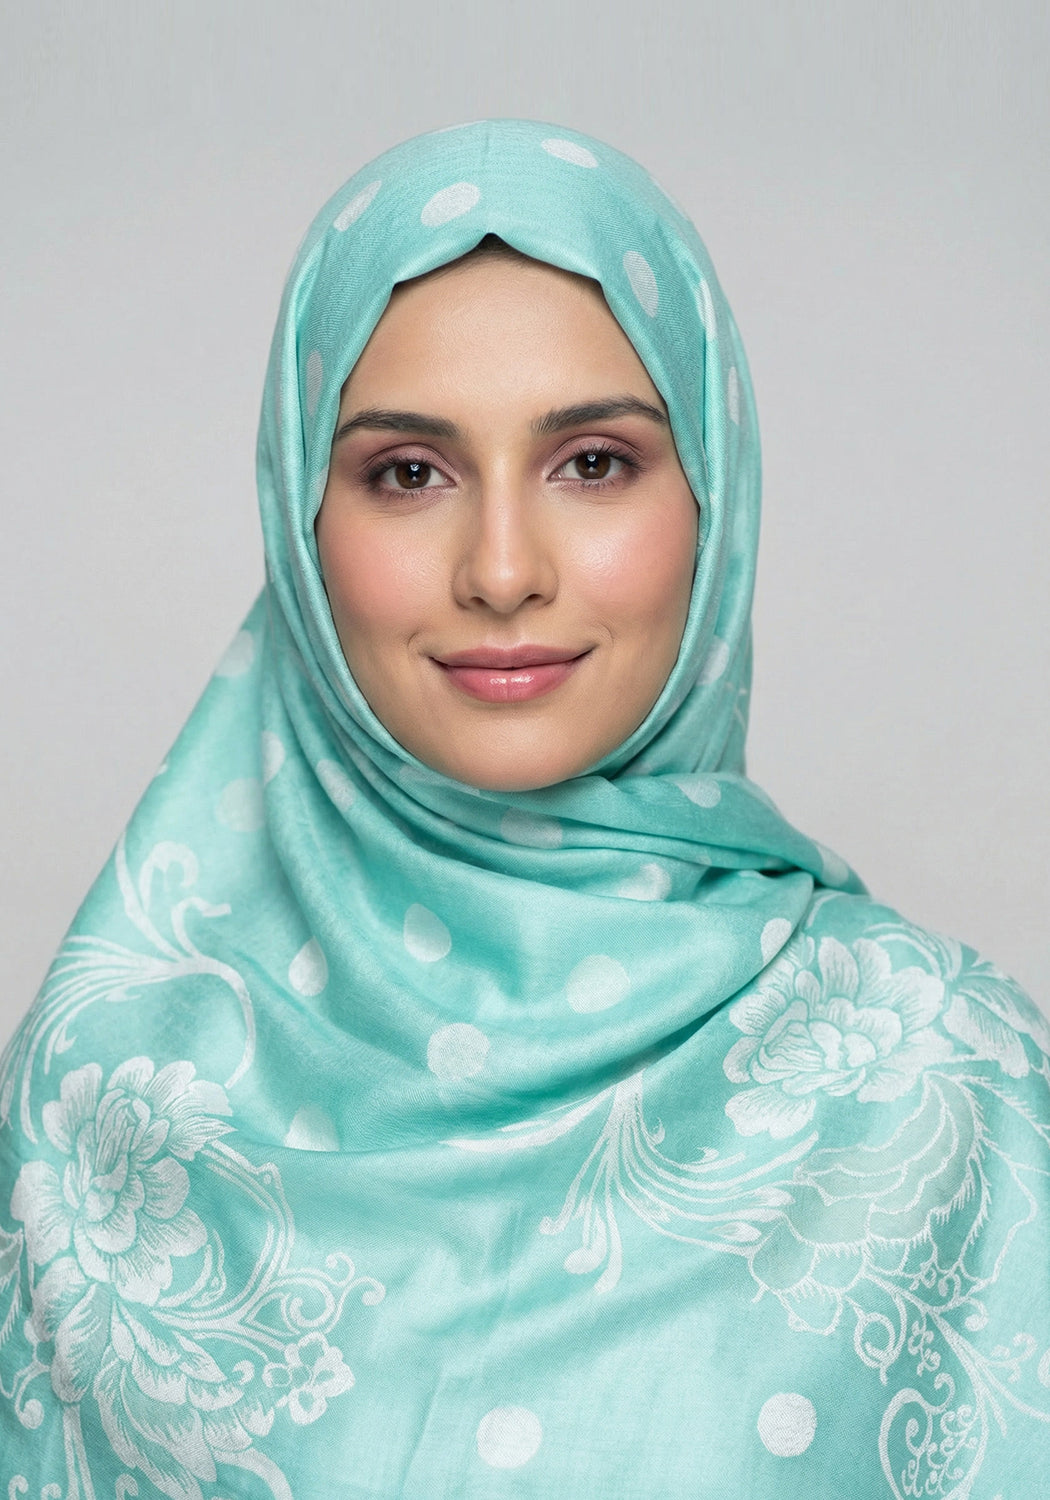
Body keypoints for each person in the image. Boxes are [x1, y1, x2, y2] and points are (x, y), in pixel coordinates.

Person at [1, 119, 1047, 1500]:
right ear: (300, 521)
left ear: (713, 497)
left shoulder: (933, 1086)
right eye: (408, 473)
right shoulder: (104, 1093)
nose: (501, 570)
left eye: (593, 463)